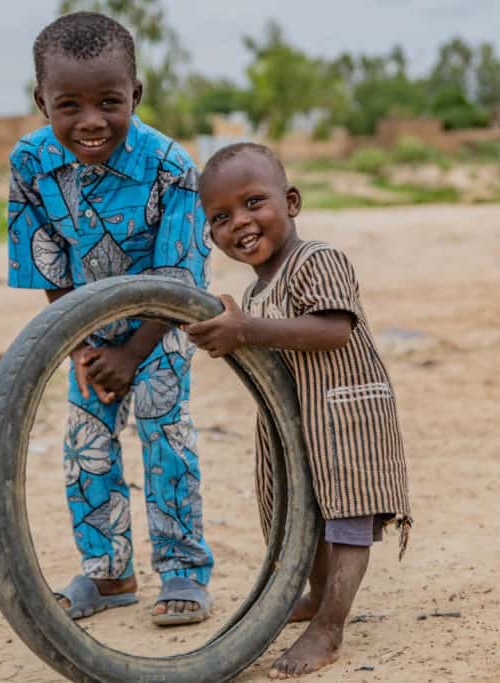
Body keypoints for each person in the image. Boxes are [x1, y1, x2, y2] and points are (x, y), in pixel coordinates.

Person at [6, 11, 213, 626]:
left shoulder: (171, 165)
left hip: (162, 327)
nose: (91, 121)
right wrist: (79, 349)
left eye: (110, 102)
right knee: (86, 446)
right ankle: (110, 574)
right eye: (69, 104)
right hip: (84, 334)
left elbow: (181, 277)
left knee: (164, 435)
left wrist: (135, 351)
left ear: (136, 96)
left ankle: (182, 570)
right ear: (41, 101)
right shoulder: (31, 164)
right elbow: (45, 261)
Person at [185, 143, 412, 678]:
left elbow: (334, 329)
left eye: (254, 202)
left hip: (346, 416)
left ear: (291, 202)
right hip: (296, 426)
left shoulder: (318, 261)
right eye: (220, 217)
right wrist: (231, 335)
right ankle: (312, 596)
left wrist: (246, 331)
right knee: (298, 516)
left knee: (348, 518)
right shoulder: (257, 289)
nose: (239, 222)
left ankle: (330, 626)